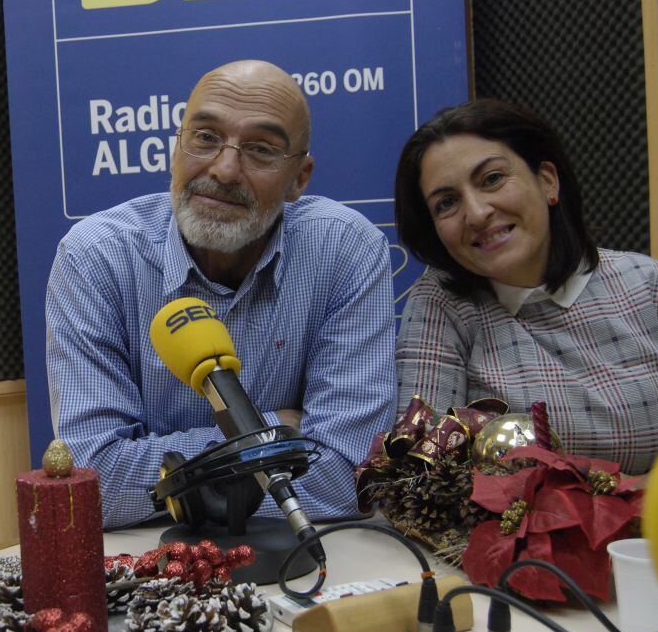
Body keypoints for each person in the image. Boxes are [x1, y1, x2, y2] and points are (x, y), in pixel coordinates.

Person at [46, 59, 396, 529]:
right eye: (206, 138)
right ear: (175, 148)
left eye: (261, 150)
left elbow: (347, 476)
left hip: (303, 554)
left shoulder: (346, 250)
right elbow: (93, 483)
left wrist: (172, 476)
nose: (225, 169)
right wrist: (271, 431)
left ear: (300, 179)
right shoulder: (95, 259)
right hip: (150, 563)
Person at [393, 98, 658, 474]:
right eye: (446, 203)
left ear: (548, 181)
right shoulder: (440, 305)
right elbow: (419, 476)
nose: (476, 213)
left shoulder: (649, 283)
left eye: (492, 179)